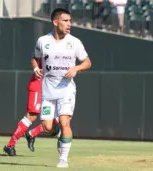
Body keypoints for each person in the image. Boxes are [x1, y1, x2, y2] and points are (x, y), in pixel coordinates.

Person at [31, 8, 92, 168]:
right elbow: (35, 58)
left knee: (66, 122)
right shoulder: (42, 41)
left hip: (66, 89)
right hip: (48, 90)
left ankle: (63, 159)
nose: (69, 24)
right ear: (55, 21)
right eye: (65, 20)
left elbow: (87, 62)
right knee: (47, 127)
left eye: (70, 21)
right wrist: (36, 68)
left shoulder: (75, 42)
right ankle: (58, 132)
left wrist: (76, 68)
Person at [3, 58, 60, 156]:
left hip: (54, 87)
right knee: (32, 116)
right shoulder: (45, 43)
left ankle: (31, 134)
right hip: (39, 84)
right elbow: (34, 58)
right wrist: (36, 69)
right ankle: (9, 145)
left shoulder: (67, 47)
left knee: (54, 123)